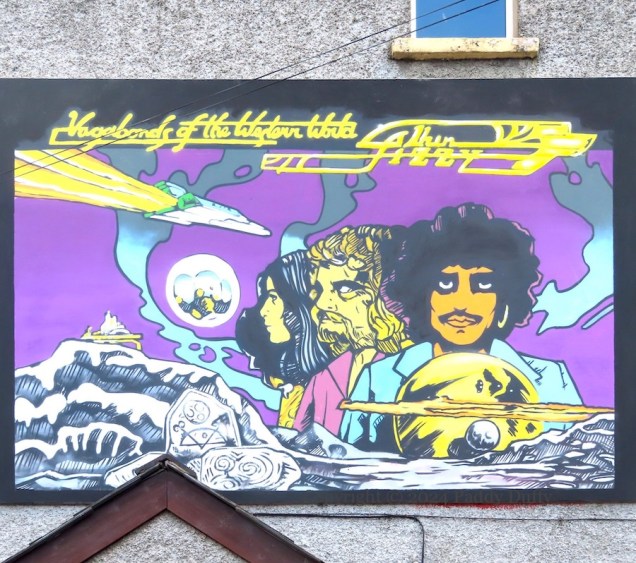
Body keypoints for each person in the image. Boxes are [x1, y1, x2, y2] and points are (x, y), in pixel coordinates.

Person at [339, 203, 582, 454]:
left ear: (505, 299)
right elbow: (346, 466)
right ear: (422, 296)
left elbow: (576, 464)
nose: (461, 304)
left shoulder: (552, 379)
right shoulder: (377, 379)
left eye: (483, 284)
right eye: (445, 284)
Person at [292, 225, 411, 435]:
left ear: (386, 294)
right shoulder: (324, 376)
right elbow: (296, 443)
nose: (322, 304)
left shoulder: (417, 368)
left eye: (344, 288)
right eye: (319, 290)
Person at [236, 251, 332, 428]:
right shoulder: (291, 385)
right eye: (265, 298)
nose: (263, 311)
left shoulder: (325, 386)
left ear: (300, 305)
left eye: (273, 298)